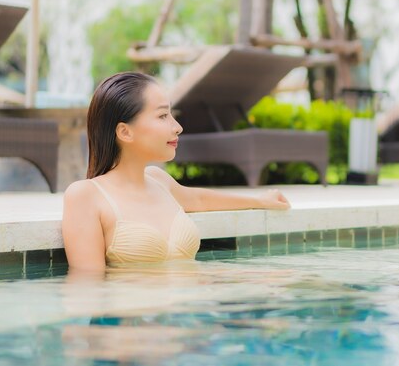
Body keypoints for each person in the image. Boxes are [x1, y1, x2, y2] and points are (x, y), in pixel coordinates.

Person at [62, 72, 290, 272]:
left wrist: (259, 200)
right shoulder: (86, 196)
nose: (177, 126)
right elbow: (88, 288)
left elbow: (199, 200)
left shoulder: (158, 180)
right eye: (163, 116)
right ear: (125, 132)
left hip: (187, 313)